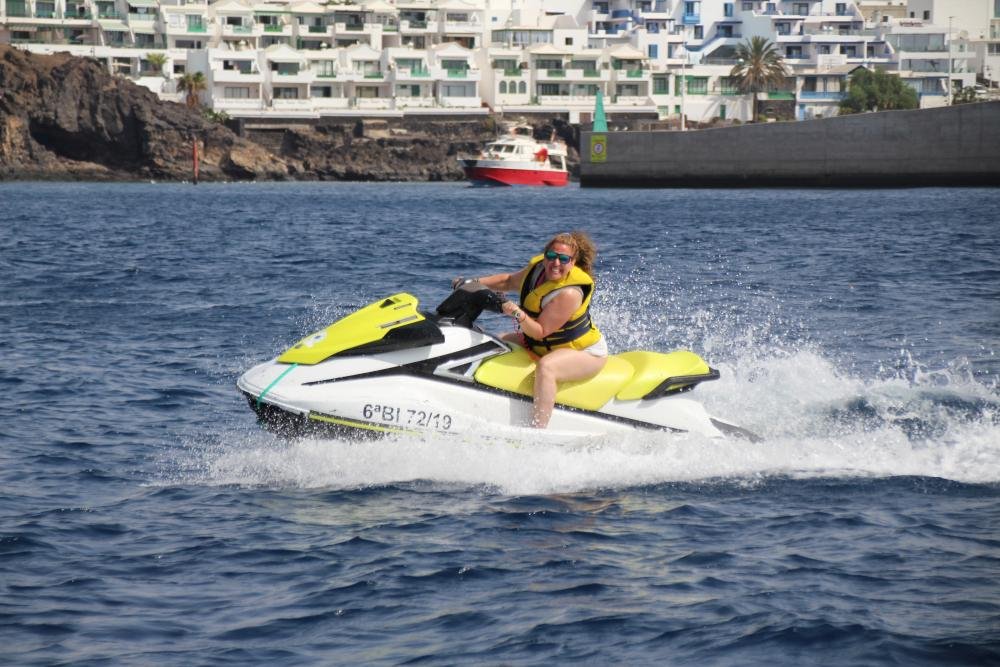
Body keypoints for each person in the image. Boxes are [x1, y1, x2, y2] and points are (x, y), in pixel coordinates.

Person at [457, 231, 607, 428]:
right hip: (546, 344)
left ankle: (538, 430)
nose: (556, 263)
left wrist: (518, 313)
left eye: (564, 259)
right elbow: (508, 281)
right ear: (545, 256)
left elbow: (540, 331)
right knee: (496, 342)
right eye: (552, 256)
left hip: (585, 352)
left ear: (572, 262)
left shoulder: (569, 293)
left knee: (548, 367)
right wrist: (471, 284)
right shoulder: (536, 271)